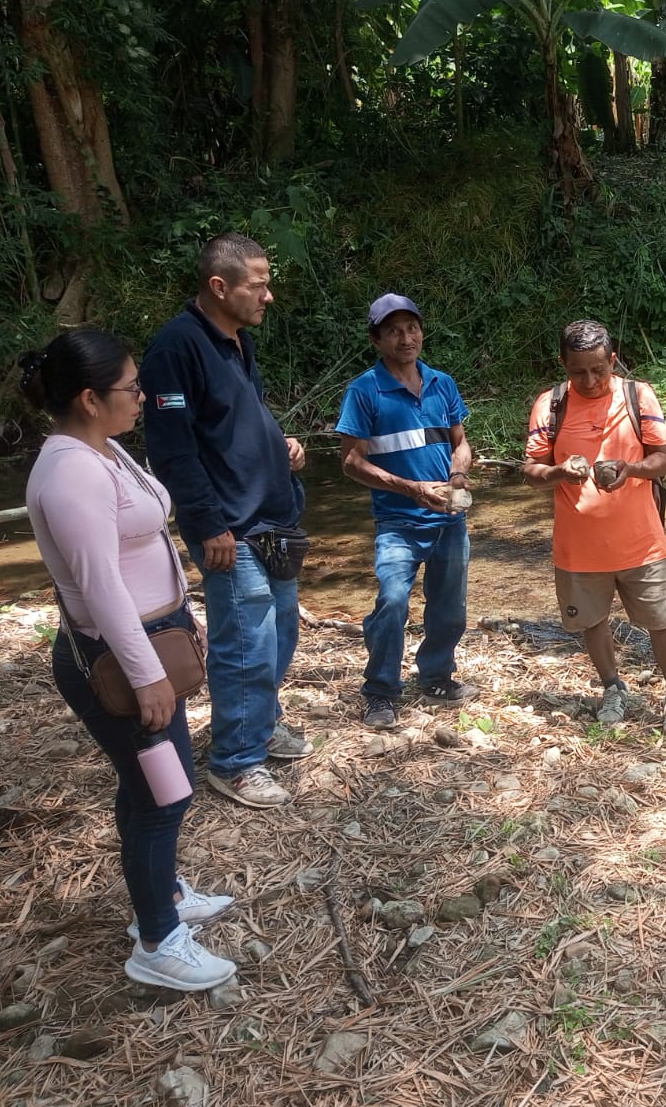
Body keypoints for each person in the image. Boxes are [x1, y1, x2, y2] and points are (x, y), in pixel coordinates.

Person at [21, 330, 237, 991]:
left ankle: (161, 893)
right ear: (90, 399)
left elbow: (145, 551)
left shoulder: (103, 449)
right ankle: (157, 941)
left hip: (151, 641)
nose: (143, 396)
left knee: (149, 785)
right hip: (116, 661)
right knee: (163, 794)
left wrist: (185, 617)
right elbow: (100, 587)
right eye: (131, 388)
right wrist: (147, 676)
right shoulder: (71, 472)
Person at [141, 232, 312, 809]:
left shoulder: (237, 340)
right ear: (220, 286)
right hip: (229, 527)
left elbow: (236, 418)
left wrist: (279, 443)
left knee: (280, 630)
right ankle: (235, 761)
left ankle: (259, 724)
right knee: (245, 642)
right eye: (258, 286)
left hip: (272, 515)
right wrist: (207, 523)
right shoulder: (176, 348)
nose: (268, 296)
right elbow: (172, 450)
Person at [521, 320, 666, 734]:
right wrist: (559, 472)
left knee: (661, 621)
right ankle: (613, 687)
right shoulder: (551, 404)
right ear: (563, 364)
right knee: (592, 622)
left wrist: (630, 469)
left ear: (613, 360)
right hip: (578, 548)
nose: (589, 380)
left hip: (641, 543)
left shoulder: (638, 395)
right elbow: (531, 470)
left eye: (598, 369)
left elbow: (665, 459)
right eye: (578, 371)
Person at [335, 294, 475, 730]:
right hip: (397, 521)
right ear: (376, 339)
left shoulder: (441, 383)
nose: (406, 338)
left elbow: (460, 442)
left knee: (450, 608)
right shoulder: (364, 391)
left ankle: (436, 677)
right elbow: (351, 462)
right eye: (393, 331)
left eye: (411, 328)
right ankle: (380, 691)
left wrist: (458, 473)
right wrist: (411, 488)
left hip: (449, 518)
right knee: (393, 601)